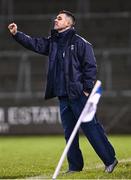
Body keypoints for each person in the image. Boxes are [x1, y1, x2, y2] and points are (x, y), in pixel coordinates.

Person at [8, 10, 118, 173]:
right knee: (69, 133)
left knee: (91, 128)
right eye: (56, 18)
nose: (55, 20)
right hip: (63, 95)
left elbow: (91, 67)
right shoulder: (53, 42)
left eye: (59, 18)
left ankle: (110, 160)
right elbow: (35, 44)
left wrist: (87, 90)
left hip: (79, 94)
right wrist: (17, 34)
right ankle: (75, 166)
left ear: (69, 23)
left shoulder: (81, 42)